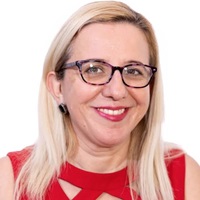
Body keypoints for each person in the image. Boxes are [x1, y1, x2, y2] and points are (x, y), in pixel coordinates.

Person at [0, 1, 200, 199]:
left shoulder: (181, 178)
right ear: (57, 87)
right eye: (94, 69)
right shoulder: (10, 181)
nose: (117, 91)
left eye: (133, 71)